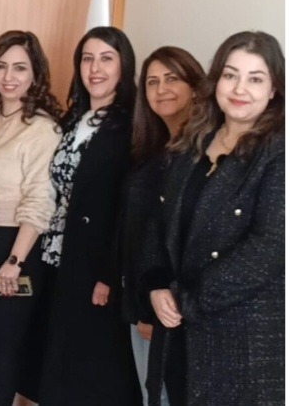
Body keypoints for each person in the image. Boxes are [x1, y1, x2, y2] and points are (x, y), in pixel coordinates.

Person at [144, 31, 284, 405]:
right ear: (216, 80)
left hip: (243, 339)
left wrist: (188, 300)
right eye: (230, 75)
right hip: (178, 332)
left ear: (273, 89)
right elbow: (160, 222)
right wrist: (155, 284)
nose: (240, 89)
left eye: (255, 79)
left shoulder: (278, 151)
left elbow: (270, 247)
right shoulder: (195, 138)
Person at [38, 26, 140, 405]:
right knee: (58, 361)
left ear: (124, 66)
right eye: (87, 59)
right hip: (56, 257)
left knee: (91, 369)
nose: (95, 69)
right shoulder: (72, 120)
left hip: (95, 265)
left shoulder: (129, 125)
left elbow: (127, 210)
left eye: (106, 59)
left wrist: (108, 273)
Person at [0, 30, 62, 406]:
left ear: (35, 75)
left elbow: (40, 199)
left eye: (20, 68)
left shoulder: (42, 129)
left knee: (2, 353)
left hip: (14, 252)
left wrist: (15, 261)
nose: (9, 76)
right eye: (1, 66)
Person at [120, 46, 203, 406]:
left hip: (168, 307)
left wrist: (152, 305)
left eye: (171, 79)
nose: (161, 89)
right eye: (152, 82)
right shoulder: (153, 149)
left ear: (196, 87)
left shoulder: (201, 154)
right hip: (142, 296)